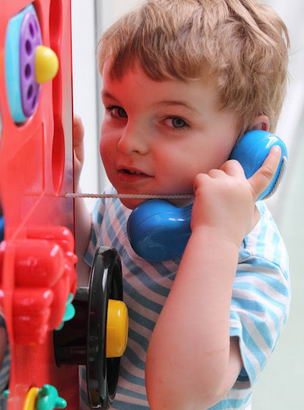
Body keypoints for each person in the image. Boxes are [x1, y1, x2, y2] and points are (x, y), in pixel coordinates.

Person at [74, 1, 290, 409]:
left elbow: (179, 396)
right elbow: (87, 256)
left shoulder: (255, 268)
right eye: (117, 111)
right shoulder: (140, 194)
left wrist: (215, 237)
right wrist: (62, 188)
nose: (128, 143)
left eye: (174, 121)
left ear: (250, 141)